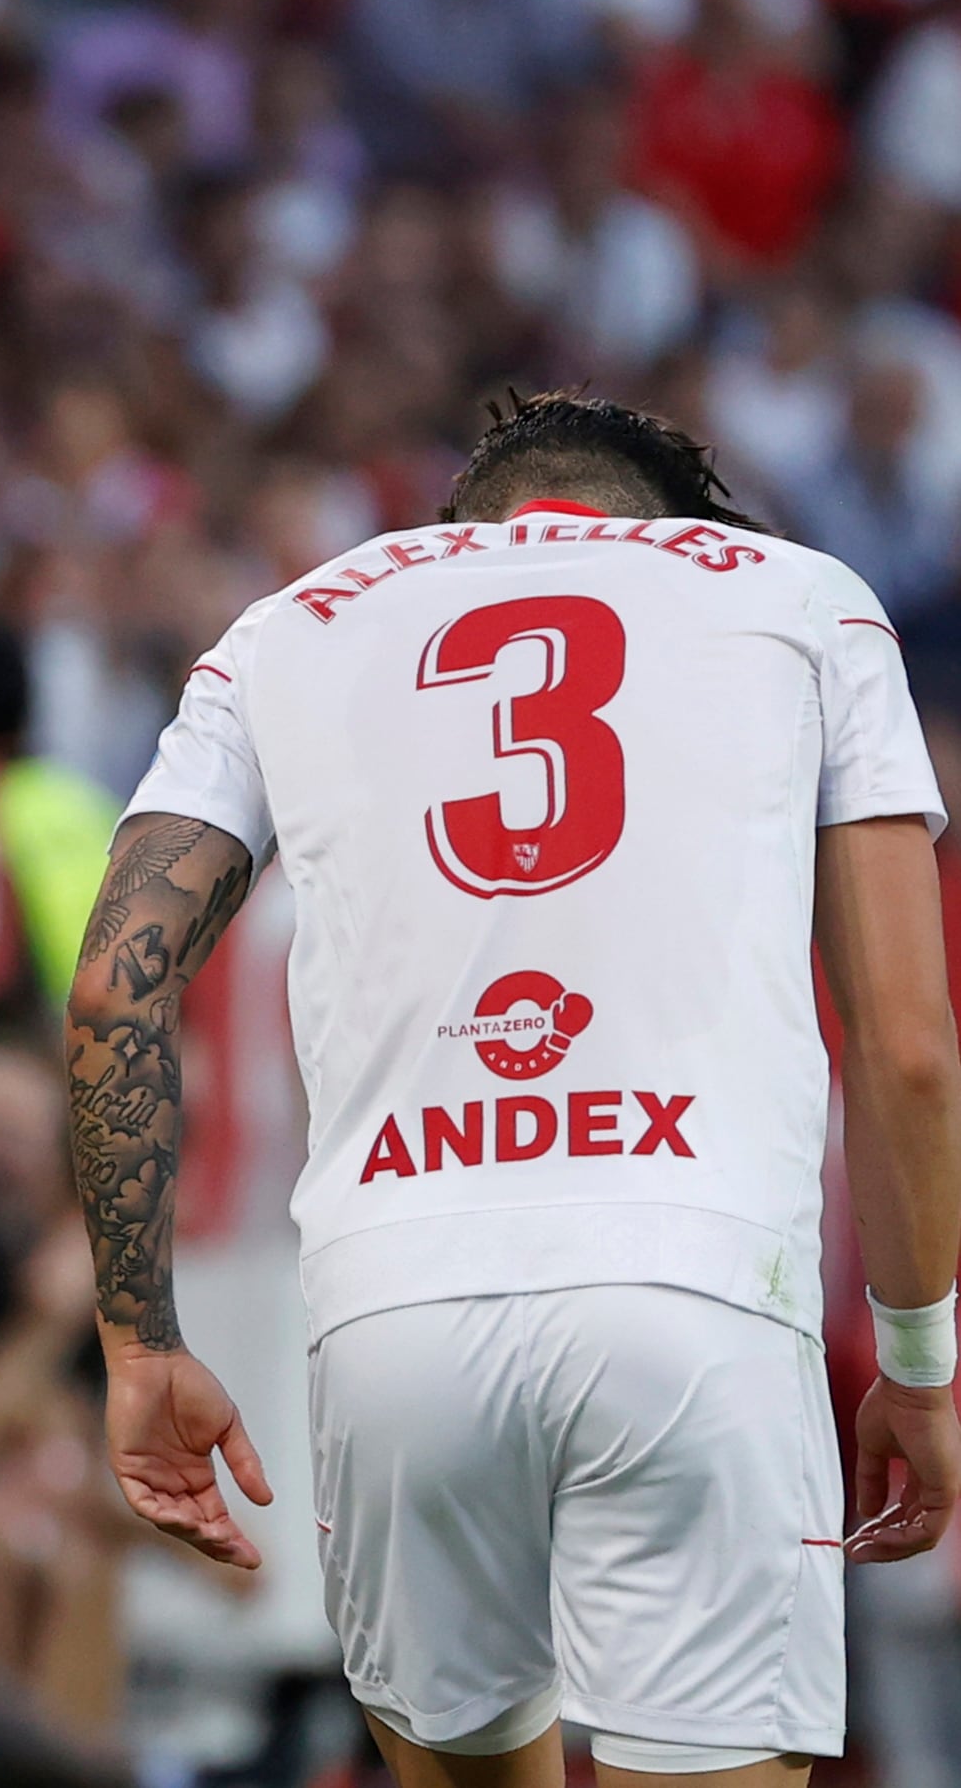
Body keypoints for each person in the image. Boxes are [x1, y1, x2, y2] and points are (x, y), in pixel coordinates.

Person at [63, 391, 961, 1788]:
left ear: (462, 538)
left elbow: (114, 984)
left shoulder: (291, 625)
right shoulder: (804, 603)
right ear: (669, 531)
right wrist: (916, 1366)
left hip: (391, 1313)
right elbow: (905, 1047)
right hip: (698, 1288)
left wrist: (136, 1344)